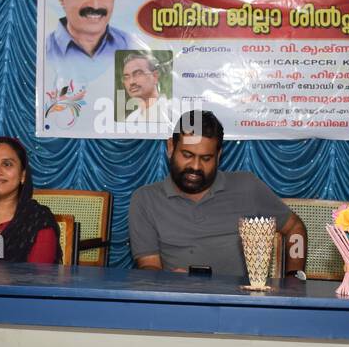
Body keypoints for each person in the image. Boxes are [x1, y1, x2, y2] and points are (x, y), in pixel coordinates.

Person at [129, 110, 306, 278]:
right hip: (177, 302)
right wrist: (165, 280)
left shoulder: (247, 186)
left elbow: (294, 228)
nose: (196, 166)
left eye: (206, 158)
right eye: (187, 155)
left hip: (237, 303)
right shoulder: (145, 199)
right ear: (170, 147)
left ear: (219, 155)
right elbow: (148, 266)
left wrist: (294, 276)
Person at [120, 52, 166, 125]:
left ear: (155, 76)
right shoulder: (130, 120)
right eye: (126, 77)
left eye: (138, 74)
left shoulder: (173, 111)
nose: (131, 82)